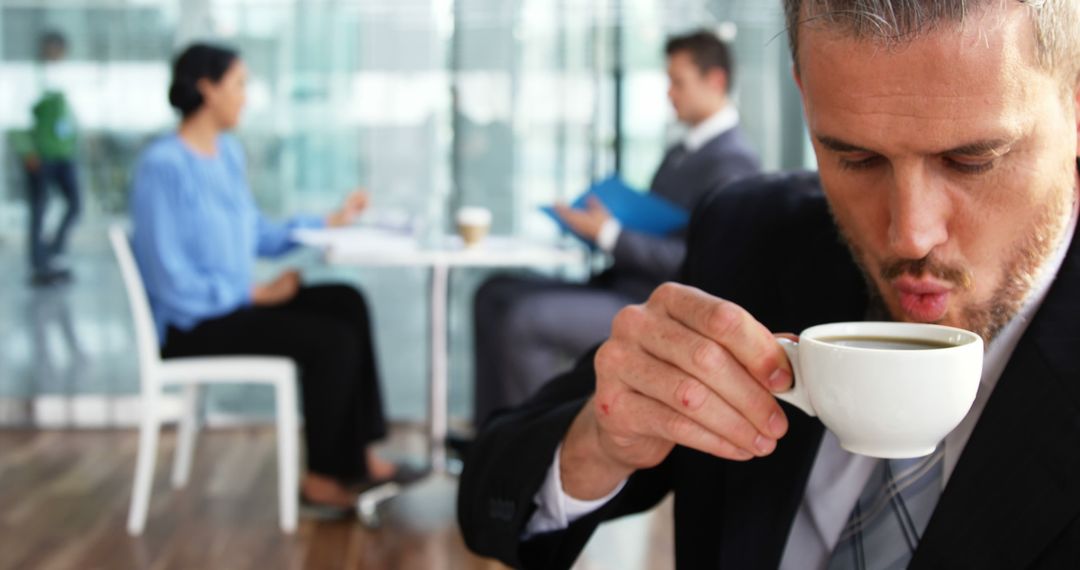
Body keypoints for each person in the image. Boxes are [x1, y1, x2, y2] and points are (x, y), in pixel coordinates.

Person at [458, 1, 1080, 568]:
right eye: (854, 158)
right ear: (805, 94)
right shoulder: (751, 240)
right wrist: (600, 439)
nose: (909, 234)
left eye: (972, 161)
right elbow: (490, 496)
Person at [130, 43, 404, 514]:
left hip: (236, 305)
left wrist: (329, 221)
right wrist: (255, 292)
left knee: (346, 300)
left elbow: (258, 233)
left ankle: (356, 452)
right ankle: (320, 480)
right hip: (194, 323)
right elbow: (170, 280)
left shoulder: (227, 155)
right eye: (239, 85)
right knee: (329, 339)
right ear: (207, 89)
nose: (246, 97)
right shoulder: (162, 167)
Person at [471, 30, 761, 427]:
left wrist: (609, 233)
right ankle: (490, 436)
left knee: (524, 318)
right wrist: (599, 224)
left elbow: (693, 261)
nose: (669, 94)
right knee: (493, 293)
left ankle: (526, 448)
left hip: (650, 301)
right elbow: (659, 224)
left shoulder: (733, 164)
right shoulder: (682, 151)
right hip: (620, 282)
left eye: (678, 82)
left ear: (716, 81)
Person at [14, 31, 81, 286]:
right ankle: (39, 265)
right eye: (53, 49)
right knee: (39, 211)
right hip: (40, 157)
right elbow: (16, 118)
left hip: (65, 155)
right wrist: (27, 151)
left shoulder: (64, 80)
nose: (57, 55)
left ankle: (52, 253)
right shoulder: (31, 79)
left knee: (75, 205)